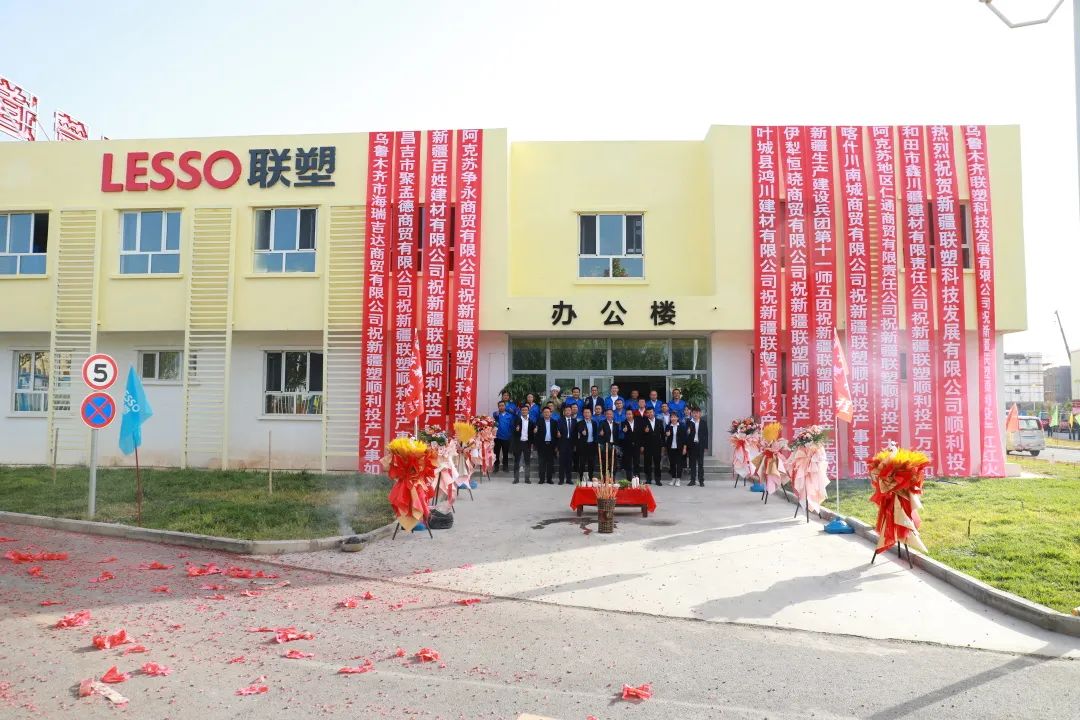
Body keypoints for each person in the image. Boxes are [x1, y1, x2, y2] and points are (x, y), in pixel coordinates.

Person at [532, 406, 558, 485]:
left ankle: (549, 479)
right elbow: (536, 434)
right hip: (542, 445)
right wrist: (535, 431)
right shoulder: (539, 421)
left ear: (551, 413)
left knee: (550, 463)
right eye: (545, 412)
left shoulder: (554, 422)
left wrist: (556, 446)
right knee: (541, 463)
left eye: (548, 412)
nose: (546, 413)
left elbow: (555, 435)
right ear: (543, 413)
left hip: (551, 445)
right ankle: (542, 479)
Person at [685, 406, 709, 486]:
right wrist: (688, 432)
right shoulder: (689, 422)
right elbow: (686, 435)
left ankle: (701, 480)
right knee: (692, 464)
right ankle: (692, 480)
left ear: (700, 414)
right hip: (692, 445)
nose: (695, 414)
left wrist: (706, 446)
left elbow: (706, 435)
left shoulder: (703, 423)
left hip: (700, 445)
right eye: (694, 413)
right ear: (691, 413)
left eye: (697, 413)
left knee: (700, 464)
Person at [641, 407, 663, 485]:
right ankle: (648, 479)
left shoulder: (659, 421)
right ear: (646, 414)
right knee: (647, 463)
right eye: (648, 412)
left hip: (657, 446)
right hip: (647, 446)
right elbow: (641, 435)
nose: (650, 414)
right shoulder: (643, 422)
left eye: (651, 412)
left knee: (657, 463)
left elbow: (662, 434)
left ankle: (658, 480)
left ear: (654, 412)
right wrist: (644, 431)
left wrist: (663, 446)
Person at [511, 404, 532, 484]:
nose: (524, 411)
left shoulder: (531, 421)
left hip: (527, 443)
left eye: (526, 410)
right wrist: (516, 430)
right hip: (518, 443)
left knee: (527, 462)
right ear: (520, 411)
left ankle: (527, 479)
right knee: (517, 461)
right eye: (523, 410)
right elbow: (513, 431)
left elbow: (533, 432)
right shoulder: (516, 420)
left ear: (528, 411)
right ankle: (516, 479)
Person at [576, 406, 598, 482]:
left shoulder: (594, 423)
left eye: (588, 412)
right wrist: (582, 432)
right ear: (583, 414)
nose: (587, 414)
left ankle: (591, 477)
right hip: (583, 446)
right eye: (585, 412)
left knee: (591, 463)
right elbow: (579, 430)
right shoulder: (580, 423)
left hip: (592, 445)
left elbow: (595, 434)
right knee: (582, 462)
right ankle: (581, 478)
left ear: (591, 413)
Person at [664, 411, 686, 485]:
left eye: (674, 417)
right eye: (672, 417)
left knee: (679, 464)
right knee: (672, 464)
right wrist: (666, 434)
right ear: (670, 418)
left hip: (679, 448)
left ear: (677, 418)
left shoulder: (682, 426)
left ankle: (678, 479)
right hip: (671, 448)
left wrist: (684, 448)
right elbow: (665, 435)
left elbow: (685, 438)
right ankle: (673, 478)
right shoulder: (668, 426)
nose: (673, 418)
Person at [557, 405, 577, 485]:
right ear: (564, 412)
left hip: (571, 444)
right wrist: (558, 433)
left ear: (571, 411)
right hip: (562, 443)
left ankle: (569, 479)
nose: (568, 412)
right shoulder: (560, 420)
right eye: (566, 410)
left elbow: (575, 434)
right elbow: (557, 430)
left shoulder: (574, 421)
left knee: (569, 462)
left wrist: (575, 445)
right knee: (562, 462)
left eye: (569, 410)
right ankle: (561, 479)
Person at [597, 408, 621, 476]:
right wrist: (600, 433)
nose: (609, 415)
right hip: (605, 445)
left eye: (610, 414)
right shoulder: (602, 422)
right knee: (604, 462)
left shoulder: (616, 424)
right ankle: (604, 477)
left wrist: (617, 446)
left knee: (614, 462)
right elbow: (599, 431)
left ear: (613, 415)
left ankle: (612, 477)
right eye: (607, 414)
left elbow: (617, 436)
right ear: (605, 415)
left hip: (614, 445)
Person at [492, 401, 514, 472]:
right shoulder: (496, 414)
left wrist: (510, 435)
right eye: (500, 406)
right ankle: (496, 466)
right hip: (497, 437)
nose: (501, 407)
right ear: (498, 407)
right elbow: (494, 416)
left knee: (505, 453)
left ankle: (505, 467)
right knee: (496, 453)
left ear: (505, 406)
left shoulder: (509, 415)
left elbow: (511, 426)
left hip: (506, 437)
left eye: (502, 405)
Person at [621, 410, 641, 480]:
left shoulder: (638, 422)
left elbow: (640, 434)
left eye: (630, 414)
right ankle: (629, 479)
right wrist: (624, 430)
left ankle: (637, 478)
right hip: (627, 446)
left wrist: (641, 445)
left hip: (636, 445)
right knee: (628, 463)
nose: (628, 415)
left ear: (633, 415)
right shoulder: (623, 423)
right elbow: (623, 430)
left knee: (637, 463)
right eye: (627, 414)